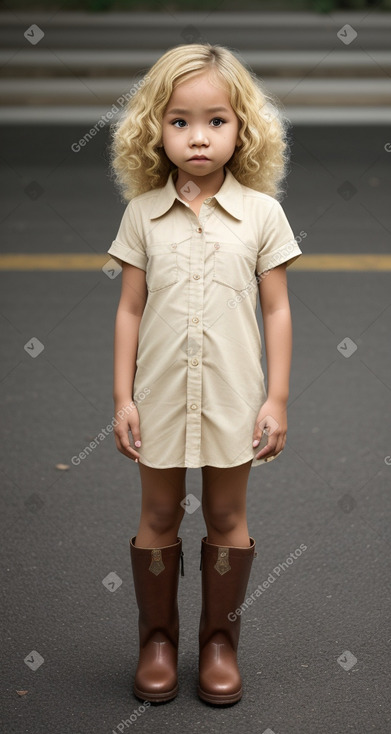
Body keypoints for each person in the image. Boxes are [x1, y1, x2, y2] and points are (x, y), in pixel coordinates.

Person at [106, 43, 302, 706]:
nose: (197, 137)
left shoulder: (261, 215)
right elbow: (129, 307)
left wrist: (274, 397)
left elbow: (275, 308)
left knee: (226, 514)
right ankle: (156, 640)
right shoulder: (142, 216)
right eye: (179, 121)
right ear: (152, 130)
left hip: (230, 398)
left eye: (215, 120)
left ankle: (219, 643)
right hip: (160, 397)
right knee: (158, 512)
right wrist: (122, 397)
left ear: (243, 126)